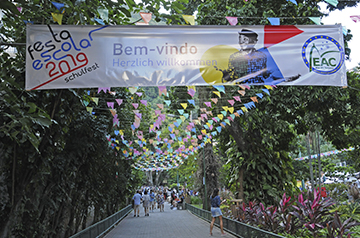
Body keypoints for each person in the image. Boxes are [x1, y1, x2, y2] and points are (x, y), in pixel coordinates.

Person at [216, 29, 300, 85]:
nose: (242, 42)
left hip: (259, 89)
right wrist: (224, 73)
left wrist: (285, 78)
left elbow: (267, 74)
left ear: (254, 42)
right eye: (240, 39)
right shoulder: (234, 57)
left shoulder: (261, 55)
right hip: (241, 91)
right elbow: (230, 78)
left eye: (245, 40)